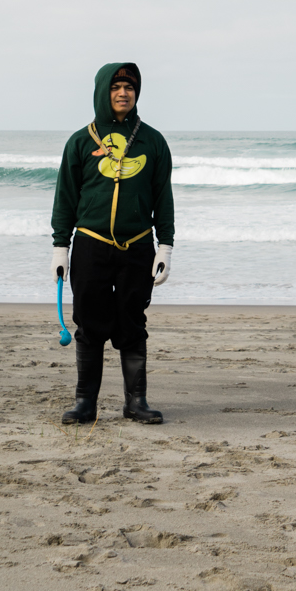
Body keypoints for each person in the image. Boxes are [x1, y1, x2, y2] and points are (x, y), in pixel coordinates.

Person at [50, 62, 175, 426]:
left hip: (138, 246)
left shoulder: (153, 141)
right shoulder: (80, 141)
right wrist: (61, 247)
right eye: (116, 87)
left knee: (132, 322)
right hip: (91, 244)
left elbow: (162, 197)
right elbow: (65, 198)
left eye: (130, 87)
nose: (123, 93)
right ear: (103, 91)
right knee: (90, 322)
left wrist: (164, 246)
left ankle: (136, 402)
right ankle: (85, 403)